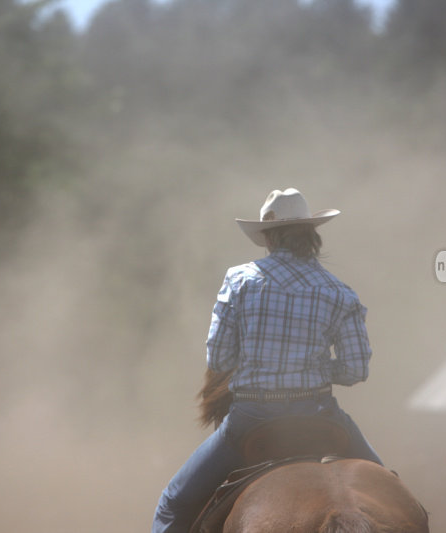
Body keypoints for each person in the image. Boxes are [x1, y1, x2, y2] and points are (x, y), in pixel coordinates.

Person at [152, 188, 382, 533]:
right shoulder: (339, 292)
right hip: (318, 414)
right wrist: (312, 368)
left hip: (251, 418)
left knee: (173, 502)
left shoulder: (240, 280)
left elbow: (219, 357)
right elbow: (355, 370)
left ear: (268, 238)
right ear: (311, 235)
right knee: (388, 488)